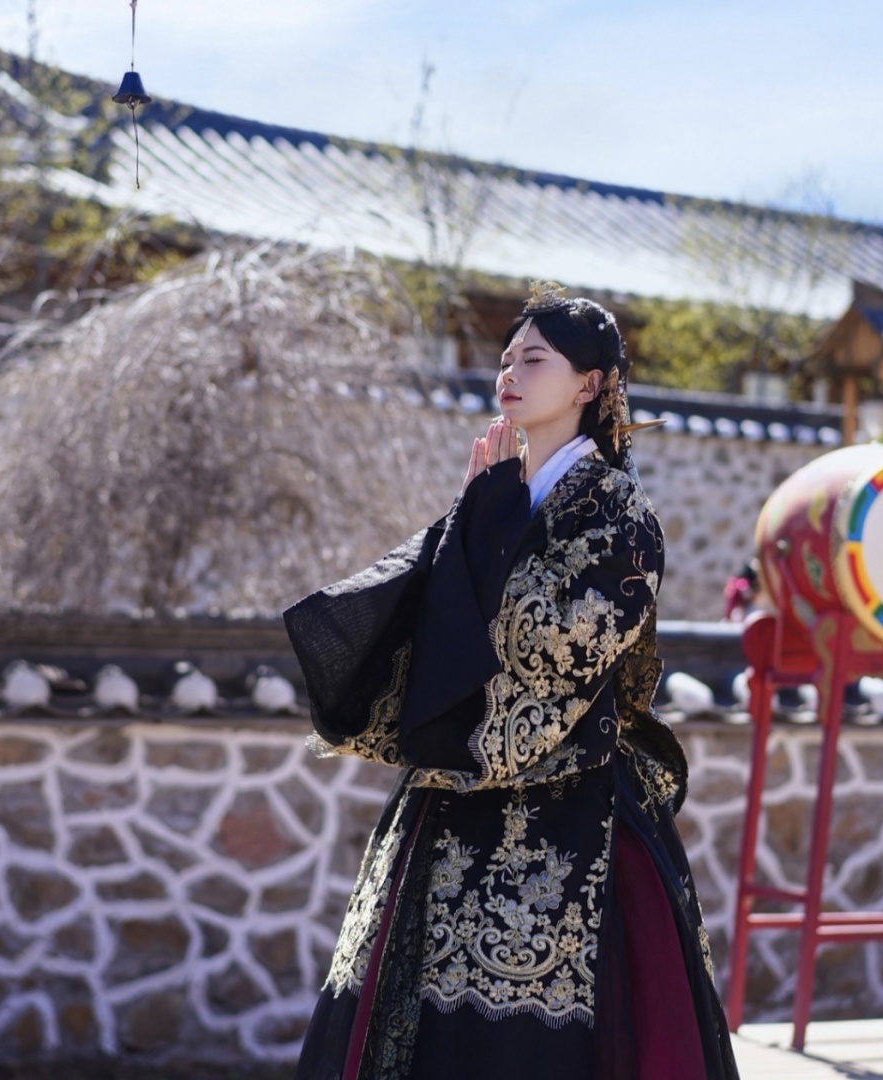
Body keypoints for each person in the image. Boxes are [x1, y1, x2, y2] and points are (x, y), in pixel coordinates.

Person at [284, 283, 739, 1080]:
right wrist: (476, 523)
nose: (510, 372)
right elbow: (427, 620)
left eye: (534, 359)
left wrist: (489, 536)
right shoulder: (499, 489)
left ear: (590, 383)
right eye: (505, 359)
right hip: (446, 804)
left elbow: (559, 649)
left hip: (576, 816)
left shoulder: (619, 513)